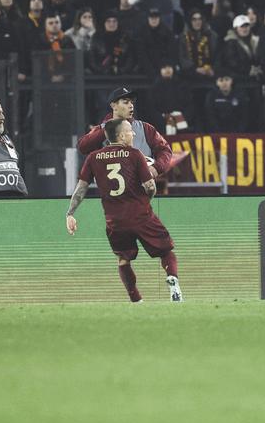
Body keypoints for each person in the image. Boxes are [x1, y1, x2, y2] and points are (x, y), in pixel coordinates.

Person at [65, 118, 182, 303]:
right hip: (141, 215)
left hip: (115, 221)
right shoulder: (135, 155)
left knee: (123, 259)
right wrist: (146, 200)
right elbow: (150, 186)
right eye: (129, 131)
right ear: (120, 135)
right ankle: (173, 280)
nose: (133, 134)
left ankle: (136, 299)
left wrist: (70, 213)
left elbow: (81, 188)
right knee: (166, 250)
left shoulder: (93, 157)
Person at [77, 88, 172, 178]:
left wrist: (156, 168)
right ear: (113, 105)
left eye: (131, 102)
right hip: (109, 192)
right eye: (126, 102)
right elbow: (82, 146)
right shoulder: (101, 129)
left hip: (142, 190)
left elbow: (165, 150)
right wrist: (107, 129)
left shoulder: (146, 128)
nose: (131, 105)